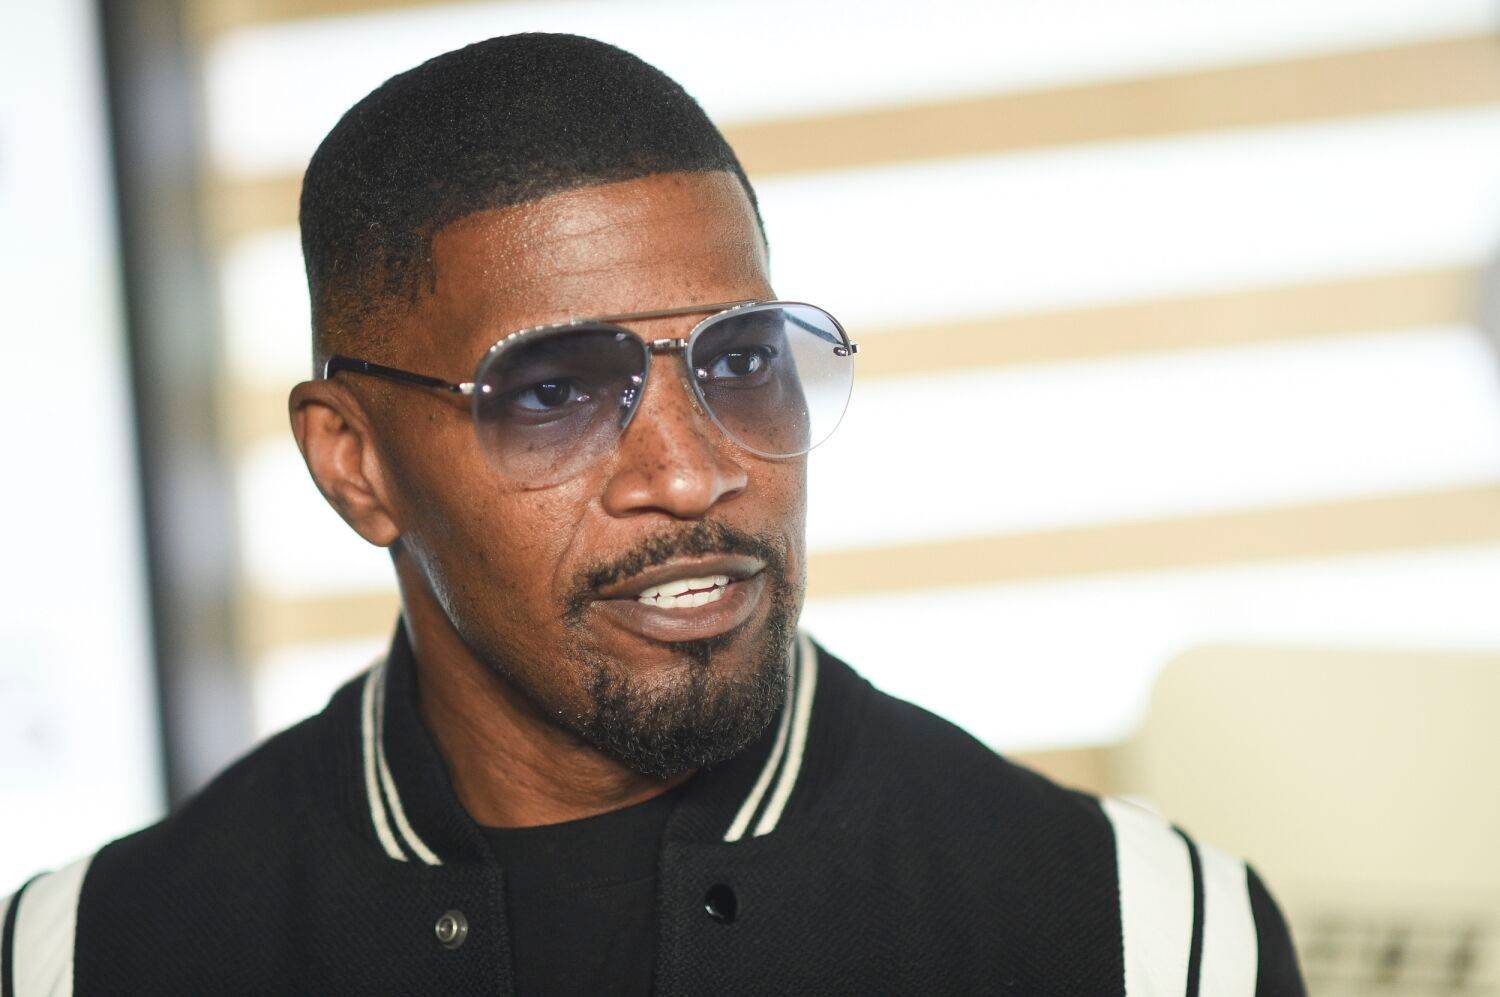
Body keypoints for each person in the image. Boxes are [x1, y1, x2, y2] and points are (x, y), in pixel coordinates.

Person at [1, 33, 1305, 995]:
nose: (689, 475)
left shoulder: (1140, 936)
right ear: (356, 464)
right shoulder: (89, 957)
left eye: (742, 360)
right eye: (554, 391)